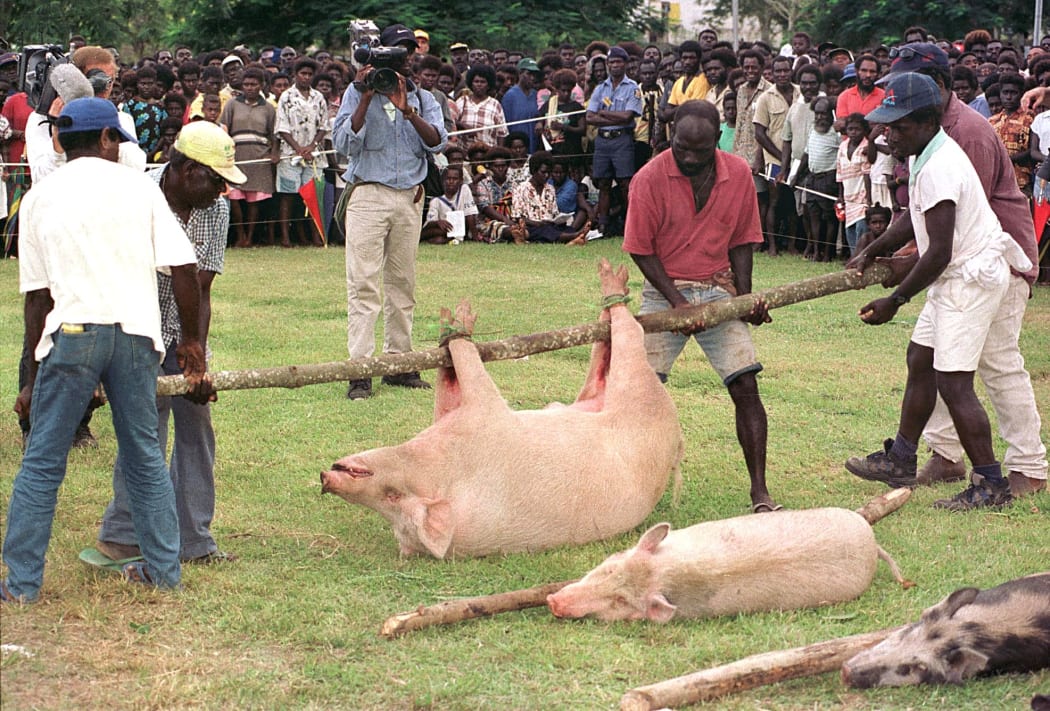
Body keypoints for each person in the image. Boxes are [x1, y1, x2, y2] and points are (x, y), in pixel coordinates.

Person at [1, 98, 210, 604]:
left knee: (44, 463)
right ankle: (164, 573)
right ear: (105, 139)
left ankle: (21, 585)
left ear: (59, 141)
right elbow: (183, 270)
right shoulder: (139, 189)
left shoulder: (38, 198)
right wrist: (191, 343)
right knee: (143, 457)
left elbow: (37, 298)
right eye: (117, 139)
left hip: (72, 335)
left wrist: (32, 375)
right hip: (137, 335)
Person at [845, 72, 1033, 510]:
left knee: (954, 382)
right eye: (886, 125)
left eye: (899, 126)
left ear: (929, 121)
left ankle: (990, 484)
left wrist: (895, 300)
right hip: (956, 274)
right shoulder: (923, 154)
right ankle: (902, 458)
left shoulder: (942, 165)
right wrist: (872, 249)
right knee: (921, 357)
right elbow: (914, 217)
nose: (888, 134)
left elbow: (938, 253)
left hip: (970, 277)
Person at [94, 121, 244, 565]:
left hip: (185, 334)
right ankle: (123, 535)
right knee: (145, 432)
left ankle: (195, 541)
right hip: (134, 329)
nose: (222, 190)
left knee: (197, 428)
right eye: (216, 179)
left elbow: (203, 284)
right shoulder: (133, 196)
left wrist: (195, 351)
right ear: (184, 168)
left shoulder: (216, 209)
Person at [622, 100, 779, 513]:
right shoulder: (648, 178)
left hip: (716, 288)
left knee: (746, 386)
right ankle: (629, 489)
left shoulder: (739, 173)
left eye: (700, 150)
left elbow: (743, 239)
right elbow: (640, 250)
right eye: (681, 148)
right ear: (670, 136)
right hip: (663, 291)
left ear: (717, 141)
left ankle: (760, 491)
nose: (689, 158)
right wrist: (675, 303)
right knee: (640, 392)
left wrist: (743, 298)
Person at [332, 23, 447, 400]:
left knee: (403, 283)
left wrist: (408, 111)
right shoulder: (355, 91)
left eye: (407, 53)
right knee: (363, 283)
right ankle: (361, 369)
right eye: (395, 51)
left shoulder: (425, 97)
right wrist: (365, 94)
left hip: (409, 198)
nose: (402, 59)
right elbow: (342, 144)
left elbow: (437, 142)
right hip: (368, 194)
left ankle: (399, 363)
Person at [220, 66, 278, 247]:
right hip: (236, 157)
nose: (249, 88)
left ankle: (250, 237)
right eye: (246, 84)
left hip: (259, 157)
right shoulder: (232, 104)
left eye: (253, 84)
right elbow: (223, 128)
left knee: (255, 198)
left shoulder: (269, 108)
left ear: (261, 85)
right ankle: (240, 234)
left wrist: (274, 152)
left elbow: (274, 134)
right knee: (235, 196)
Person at [586, 46, 641, 234]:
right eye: (611, 62)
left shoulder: (633, 88)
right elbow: (589, 117)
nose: (614, 65)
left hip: (622, 140)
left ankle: (630, 225)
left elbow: (627, 117)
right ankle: (603, 225)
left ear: (625, 64)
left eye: (618, 62)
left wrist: (603, 112)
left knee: (626, 183)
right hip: (603, 140)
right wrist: (608, 115)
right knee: (603, 183)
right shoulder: (600, 88)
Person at [275, 57, 329, 247]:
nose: (306, 77)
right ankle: (285, 237)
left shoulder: (318, 97)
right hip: (290, 153)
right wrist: (298, 148)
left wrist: (312, 146)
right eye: (302, 73)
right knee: (288, 195)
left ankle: (316, 236)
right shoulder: (286, 97)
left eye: (309, 74)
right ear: (295, 75)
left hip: (314, 155)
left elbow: (324, 126)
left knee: (314, 195)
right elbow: (281, 127)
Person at [510, 150, 590, 244]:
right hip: (532, 226)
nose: (546, 176)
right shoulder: (520, 189)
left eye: (549, 172)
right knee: (542, 230)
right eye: (543, 172)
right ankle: (574, 237)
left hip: (549, 225)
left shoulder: (550, 189)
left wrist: (559, 220)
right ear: (533, 171)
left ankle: (569, 238)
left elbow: (554, 214)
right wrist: (537, 223)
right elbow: (518, 218)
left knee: (566, 229)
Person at [836, 112, 871, 256]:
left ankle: (860, 262)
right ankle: (853, 262)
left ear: (864, 130)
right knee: (849, 233)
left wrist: (869, 198)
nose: (853, 132)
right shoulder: (843, 146)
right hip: (848, 199)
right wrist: (840, 197)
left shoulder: (867, 147)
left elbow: (867, 174)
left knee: (861, 232)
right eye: (850, 129)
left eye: (857, 129)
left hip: (862, 200)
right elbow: (839, 173)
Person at [420, 164, 478, 244]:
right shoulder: (436, 200)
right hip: (444, 229)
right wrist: (438, 222)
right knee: (438, 234)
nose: (451, 181)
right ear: (443, 180)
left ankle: (452, 238)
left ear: (461, 180)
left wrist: (475, 238)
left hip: (461, 227)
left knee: (439, 239)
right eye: (448, 179)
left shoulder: (464, 189)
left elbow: (470, 214)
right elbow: (429, 224)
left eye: (455, 179)